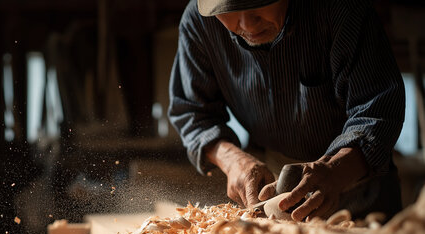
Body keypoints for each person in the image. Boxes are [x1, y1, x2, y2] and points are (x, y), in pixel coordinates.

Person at [168, 0, 405, 221]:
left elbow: (377, 110)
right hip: (276, 195)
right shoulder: (200, 22)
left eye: (258, 3)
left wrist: (335, 170)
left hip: (357, 188)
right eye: (228, 10)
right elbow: (192, 113)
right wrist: (232, 161)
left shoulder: (339, 9)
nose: (248, 24)